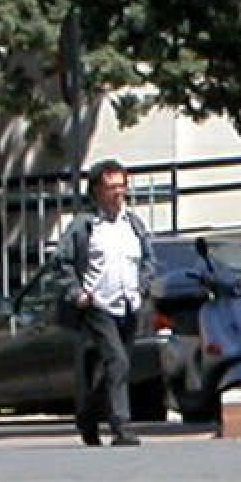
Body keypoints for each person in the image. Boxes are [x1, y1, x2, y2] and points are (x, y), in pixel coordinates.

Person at [54, 159, 153, 447]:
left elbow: (148, 261)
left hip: (129, 304)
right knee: (117, 361)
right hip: (98, 306)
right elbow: (62, 263)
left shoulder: (133, 224)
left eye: (122, 186)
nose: (119, 192)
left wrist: (143, 287)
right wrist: (78, 293)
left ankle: (87, 416)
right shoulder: (85, 226)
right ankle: (122, 427)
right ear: (97, 190)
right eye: (111, 187)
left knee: (115, 366)